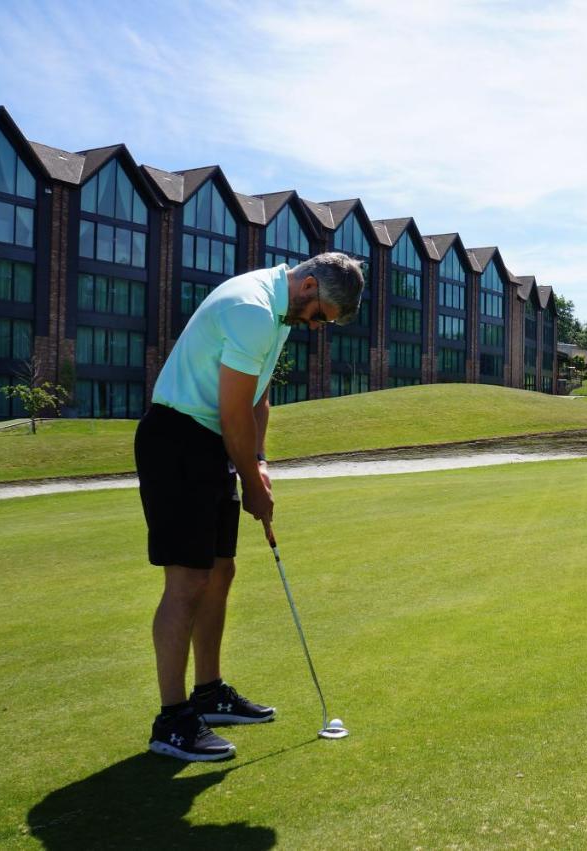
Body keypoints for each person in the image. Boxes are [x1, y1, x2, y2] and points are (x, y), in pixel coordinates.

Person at [135, 252, 364, 761]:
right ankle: (172, 721)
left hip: (211, 442)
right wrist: (256, 490)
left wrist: (258, 462)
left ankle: (209, 692)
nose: (317, 327)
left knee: (221, 570)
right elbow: (231, 407)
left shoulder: (279, 313)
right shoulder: (254, 309)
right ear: (308, 287)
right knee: (187, 580)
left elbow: (257, 398)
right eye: (321, 316)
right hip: (177, 439)